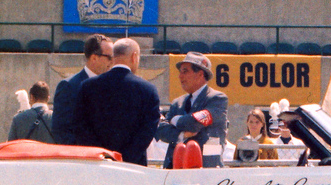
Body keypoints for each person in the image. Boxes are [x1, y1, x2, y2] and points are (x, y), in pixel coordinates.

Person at [73, 38, 160, 168]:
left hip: (96, 166)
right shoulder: (148, 90)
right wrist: (124, 160)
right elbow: (147, 132)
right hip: (133, 168)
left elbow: (80, 127)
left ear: (113, 58)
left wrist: (103, 157)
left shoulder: (87, 86)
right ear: (134, 57)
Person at [156, 52, 228, 169]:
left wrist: (175, 120)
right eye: (180, 72)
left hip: (207, 170)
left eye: (185, 71)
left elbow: (194, 123)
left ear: (200, 74)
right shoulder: (177, 102)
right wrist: (182, 134)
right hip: (175, 169)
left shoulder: (217, 99)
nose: (180, 76)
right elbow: (161, 130)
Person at [52, 33, 113, 145]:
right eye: (109, 57)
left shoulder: (113, 86)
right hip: (82, 158)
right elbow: (61, 131)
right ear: (94, 58)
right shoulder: (69, 86)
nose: (112, 62)